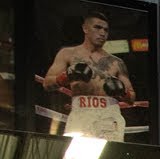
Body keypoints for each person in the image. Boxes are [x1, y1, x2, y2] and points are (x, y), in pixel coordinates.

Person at [41, 10, 135, 141]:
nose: (102, 33)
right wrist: (67, 76)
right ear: (85, 28)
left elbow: (131, 98)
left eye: (106, 30)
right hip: (81, 113)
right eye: (97, 27)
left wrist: (122, 92)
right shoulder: (67, 54)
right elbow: (47, 84)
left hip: (109, 115)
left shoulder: (117, 62)